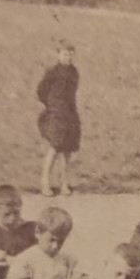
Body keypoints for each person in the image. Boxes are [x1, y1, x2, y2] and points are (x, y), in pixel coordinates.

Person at [3, 205, 79, 279]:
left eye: (61, 241)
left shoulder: (67, 259)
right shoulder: (26, 258)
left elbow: (76, 278)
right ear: (38, 233)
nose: (55, 246)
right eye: (51, 240)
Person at [36, 43, 80, 198]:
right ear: (58, 54)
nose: (67, 57)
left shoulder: (74, 72)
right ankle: (45, 183)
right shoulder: (53, 72)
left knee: (67, 151)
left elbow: (72, 94)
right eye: (64, 54)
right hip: (56, 114)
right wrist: (51, 105)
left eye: (70, 54)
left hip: (70, 114)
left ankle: (64, 184)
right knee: (55, 148)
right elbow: (41, 90)